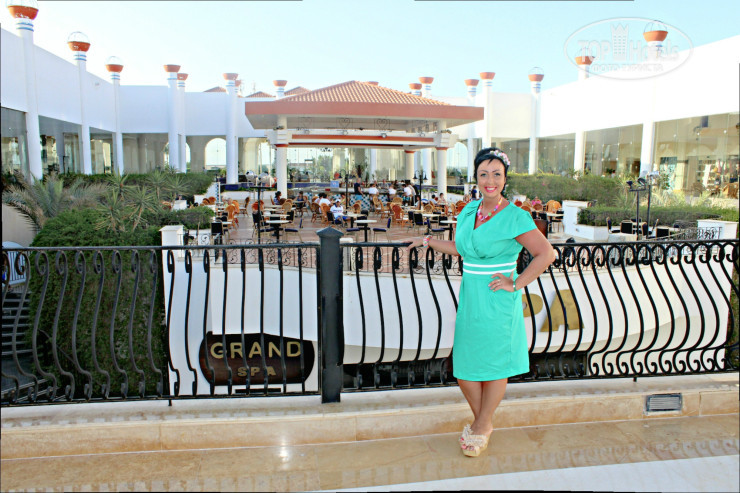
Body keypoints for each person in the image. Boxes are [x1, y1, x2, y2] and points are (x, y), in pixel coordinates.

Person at [406, 147, 555, 458]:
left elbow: (546, 254)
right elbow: (464, 248)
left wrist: (516, 283)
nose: (490, 181)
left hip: (498, 298)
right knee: (465, 368)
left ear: (505, 179)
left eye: (497, 174)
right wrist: (428, 241)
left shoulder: (516, 216)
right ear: (475, 178)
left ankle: (482, 425)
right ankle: (482, 422)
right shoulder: (469, 211)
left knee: (495, 366)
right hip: (472, 296)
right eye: (484, 174)